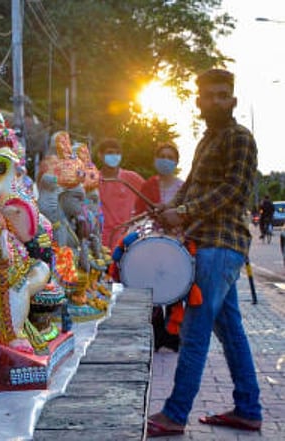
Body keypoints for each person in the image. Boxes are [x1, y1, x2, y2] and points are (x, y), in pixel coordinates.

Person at [147, 68, 262, 436]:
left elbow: (234, 191)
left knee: (194, 334)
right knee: (231, 332)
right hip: (207, 245)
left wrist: (180, 213)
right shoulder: (205, 141)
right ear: (198, 100)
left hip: (221, 246)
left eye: (222, 94)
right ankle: (248, 409)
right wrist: (169, 210)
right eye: (208, 95)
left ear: (233, 100)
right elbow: (191, 189)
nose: (215, 100)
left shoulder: (241, 138)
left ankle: (175, 415)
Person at [134, 142, 185, 352]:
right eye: (162, 155)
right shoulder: (147, 186)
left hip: (176, 243)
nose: (165, 159)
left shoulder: (182, 188)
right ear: (156, 159)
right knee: (152, 288)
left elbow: (185, 214)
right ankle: (155, 333)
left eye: (170, 156)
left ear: (176, 161)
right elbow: (137, 215)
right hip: (151, 243)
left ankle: (173, 334)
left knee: (175, 288)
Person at [97, 138, 145, 248]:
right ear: (100, 155)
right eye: (110, 153)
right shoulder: (93, 179)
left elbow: (150, 198)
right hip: (100, 242)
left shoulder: (132, 178)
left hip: (128, 241)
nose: (114, 156)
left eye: (117, 153)